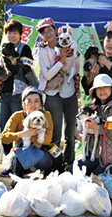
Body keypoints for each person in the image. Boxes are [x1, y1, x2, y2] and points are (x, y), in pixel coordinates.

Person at [36, 17, 80, 166]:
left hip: (70, 93)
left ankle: (69, 164)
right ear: (42, 36)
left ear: (56, 30)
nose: (48, 34)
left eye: (50, 30)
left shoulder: (71, 46)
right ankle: (54, 165)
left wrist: (75, 58)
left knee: (70, 134)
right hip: (53, 95)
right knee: (55, 134)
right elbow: (47, 75)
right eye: (44, 32)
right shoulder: (44, 52)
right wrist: (61, 60)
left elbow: (76, 69)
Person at [0, 87, 64, 187]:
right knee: (18, 155)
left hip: (40, 153)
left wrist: (31, 134)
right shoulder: (17, 116)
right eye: (29, 101)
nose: (33, 104)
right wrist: (22, 134)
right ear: (23, 103)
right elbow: (4, 137)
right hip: (22, 154)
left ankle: (47, 183)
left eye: (36, 101)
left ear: (41, 104)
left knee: (48, 160)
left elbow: (47, 140)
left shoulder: (46, 115)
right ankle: (18, 180)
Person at [0, 19, 34, 176]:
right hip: (3, 93)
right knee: (4, 129)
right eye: (9, 33)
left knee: (18, 128)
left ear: (20, 34)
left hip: (17, 93)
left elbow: (27, 67)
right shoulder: (2, 50)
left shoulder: (24, 48)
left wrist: (14, 60)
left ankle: (17, 163)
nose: (11, 35)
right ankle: (8, 162)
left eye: (14, 32)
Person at [75, 74, 112, 176]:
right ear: (94, 91)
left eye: (105, 87)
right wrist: (78, 134)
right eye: (98, 88)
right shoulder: (92, 108)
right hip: (95, 156)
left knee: (97, 180)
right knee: (75, 171)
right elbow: (76, 123)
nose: (102, 90)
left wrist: (97, 128)